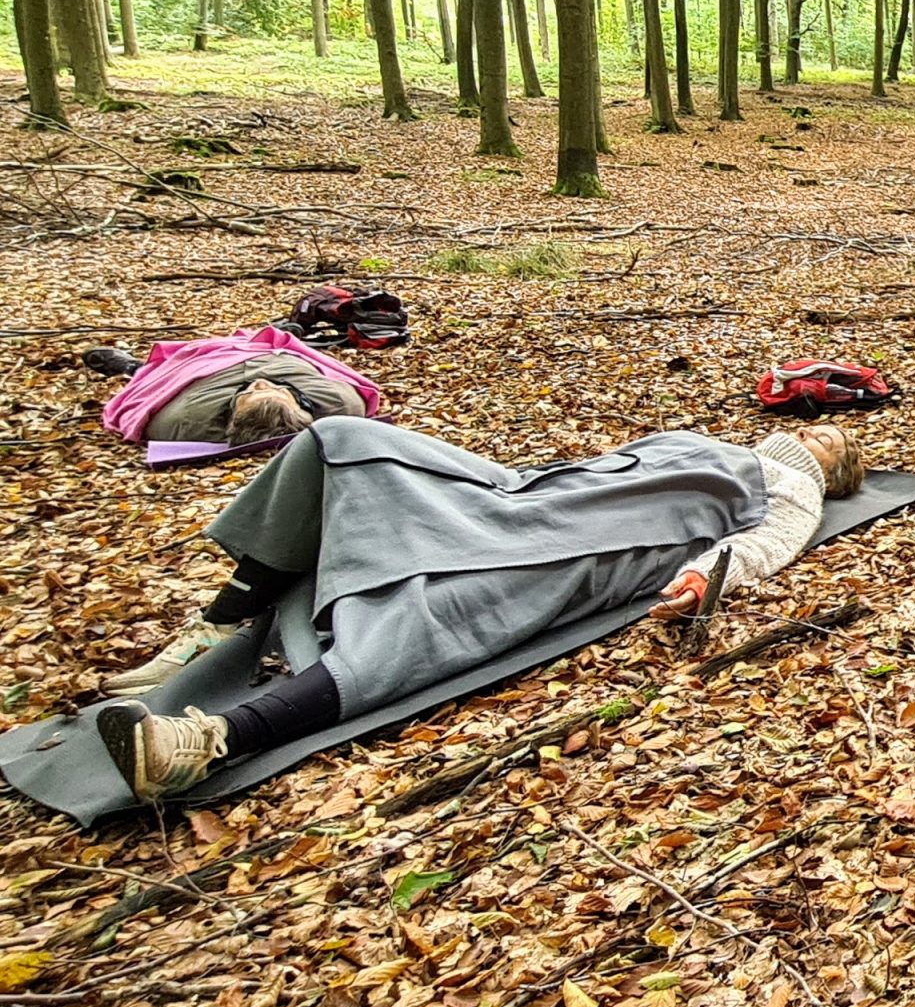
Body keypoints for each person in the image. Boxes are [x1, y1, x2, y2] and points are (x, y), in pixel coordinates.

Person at [93, 416, 867, 803]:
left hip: (594, 549)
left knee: (428, 622)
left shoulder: (794, 489)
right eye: (816, 424)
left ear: (833, 472)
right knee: (343, 439)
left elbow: (768, 546)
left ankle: (205, 741)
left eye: (829, 438)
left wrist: (705, 580)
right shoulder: (704, 438)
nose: (813, 431)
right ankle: (219, 626)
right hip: (530, 495)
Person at [96, 327, 380, 447]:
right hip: (271, 355)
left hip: (204, 370)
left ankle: (131, 367)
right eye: (273, 390)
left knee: (156, 374)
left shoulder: (183, 424)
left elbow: (143, 402)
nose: (259, 384)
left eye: (249, 394)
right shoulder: (341, 404)